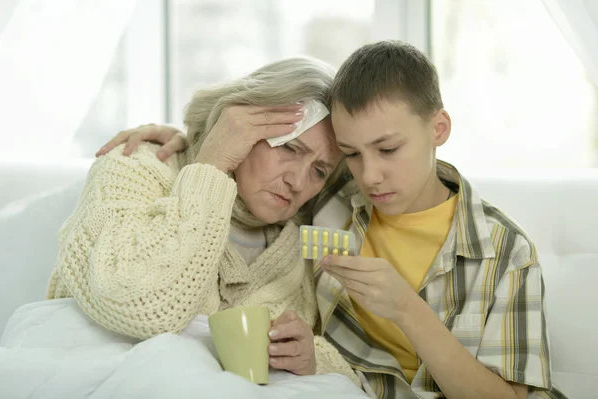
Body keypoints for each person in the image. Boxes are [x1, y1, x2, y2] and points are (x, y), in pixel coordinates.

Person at [103, 42, 566, 399]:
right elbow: (273, 167)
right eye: (352, 156)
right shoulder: (333, 203)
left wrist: (407, 309)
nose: (371, 175)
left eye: (388, 149)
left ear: (438, 129)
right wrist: (193, 142)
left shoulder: (504, 252)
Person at [47, 56, 360, 385]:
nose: (298, 181)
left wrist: (312, 358)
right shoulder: (134, 168)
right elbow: (139, 305)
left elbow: (352, 375)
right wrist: (212, 163)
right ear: (238, 125)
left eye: (319, 170)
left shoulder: (296, 247)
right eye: (290, 149)